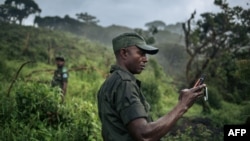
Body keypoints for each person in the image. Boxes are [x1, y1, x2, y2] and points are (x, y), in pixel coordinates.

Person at [97, 32, 206, 141]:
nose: (146, 59)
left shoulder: (110, 82)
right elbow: (144, 135)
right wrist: (183, 104)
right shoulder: (125, 83)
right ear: (124, 53)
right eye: (141, 53)